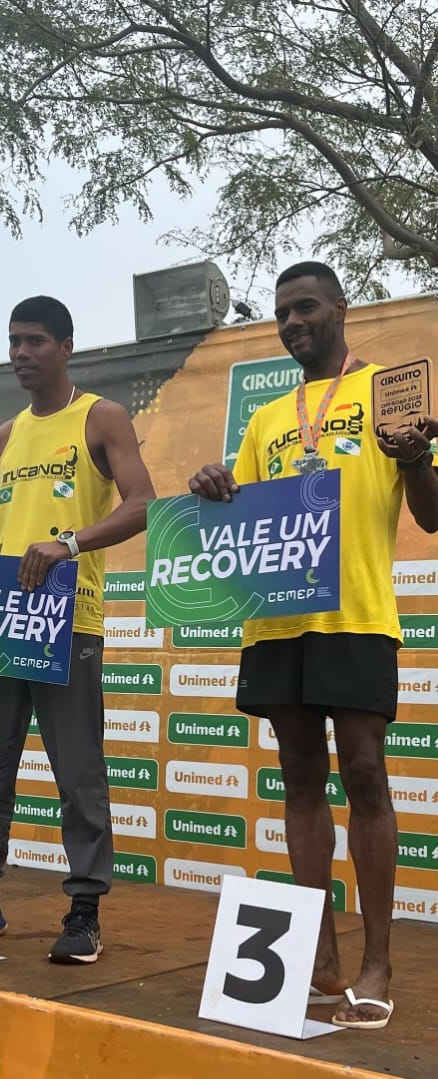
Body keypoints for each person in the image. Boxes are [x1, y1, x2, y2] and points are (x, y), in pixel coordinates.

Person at [189, 262, 438, 1028]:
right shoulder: (267, 419)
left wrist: (414, 458)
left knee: (365, 777)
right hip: (277, 621)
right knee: (300, 781)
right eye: (282, 314)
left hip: (357, 617)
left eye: (305, 308)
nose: (293, 323)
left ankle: (377, 963)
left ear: (340, 308)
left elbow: (431, 516)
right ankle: (318, 958)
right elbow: (241, 518)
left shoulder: (390, 393)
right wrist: (213, 488)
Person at [0, 296, 155, 963]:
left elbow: (142, 504)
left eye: (35, 341)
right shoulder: (4, 437)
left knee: (78, 772)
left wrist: (68, 544)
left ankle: (85, 910)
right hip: (1, 620)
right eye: (14, 341)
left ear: (66, 346)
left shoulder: (100, 416)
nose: (21, 352)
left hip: (68, 618)